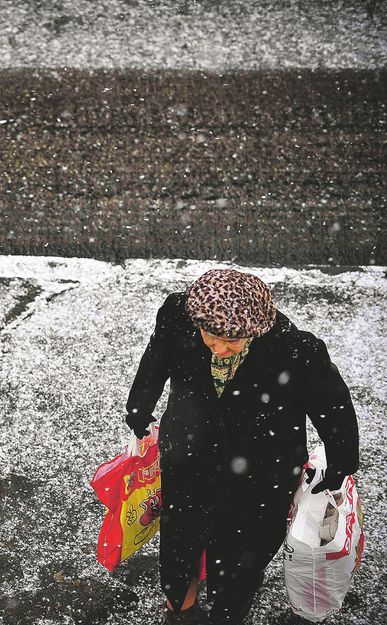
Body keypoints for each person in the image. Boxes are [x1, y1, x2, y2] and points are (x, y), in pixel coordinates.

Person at [125, 268, 359, 625]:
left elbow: (334, 408)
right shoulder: (178, 314)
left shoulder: (295, 350)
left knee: (239, 558)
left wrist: (342, 462)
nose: (218, 349)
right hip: (190, 456)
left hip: (262, 472)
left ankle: (226, 615)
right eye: (209, 337)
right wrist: (139, 407)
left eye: (231, 342)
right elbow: (156, 359)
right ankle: (181, 612)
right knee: (180, 546)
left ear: (255, 330)